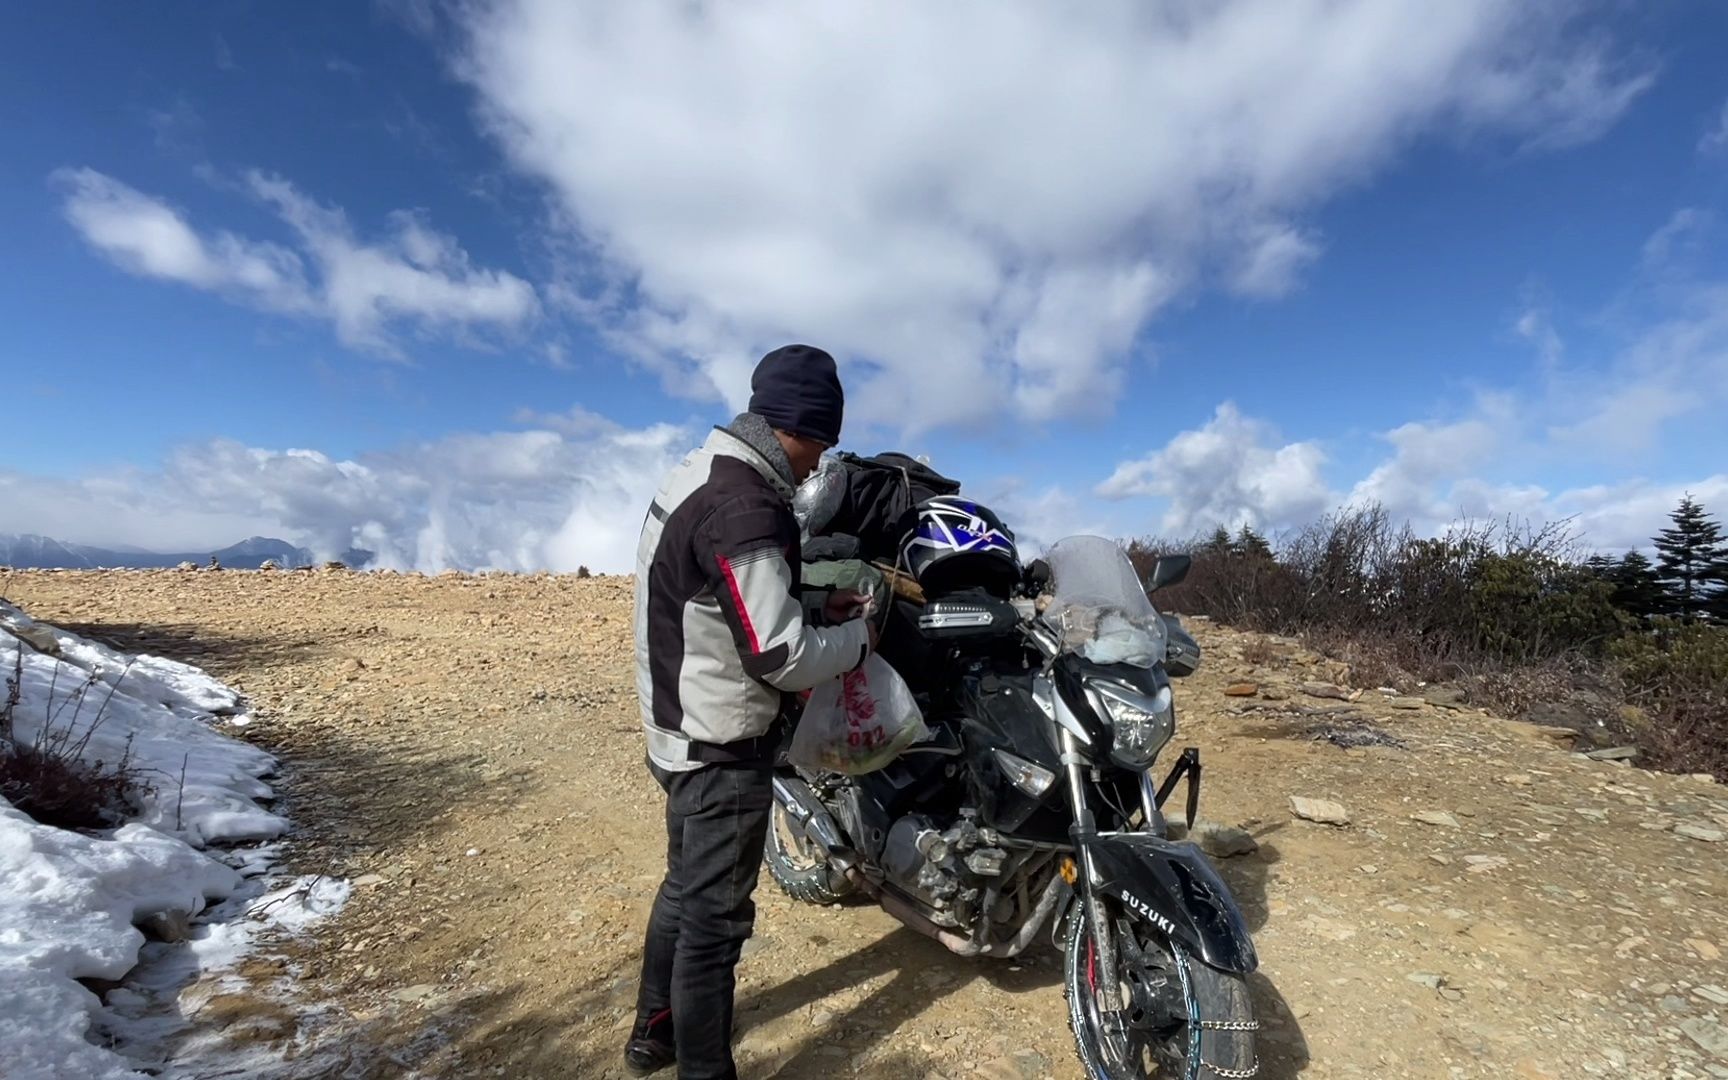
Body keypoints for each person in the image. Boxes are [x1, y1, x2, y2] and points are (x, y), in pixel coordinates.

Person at [627, 344, 876, 1079]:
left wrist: (805, 601)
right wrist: (856, 640)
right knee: (714, 926)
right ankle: (704, 1069)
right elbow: (779, 657)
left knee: (685, 889)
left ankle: (653, 1033)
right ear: (797, 428)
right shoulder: (747, 507)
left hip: (673, 720)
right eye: (820, 446)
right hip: (719, 743)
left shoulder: (702, 473)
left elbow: (724, 600)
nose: (817, 466)